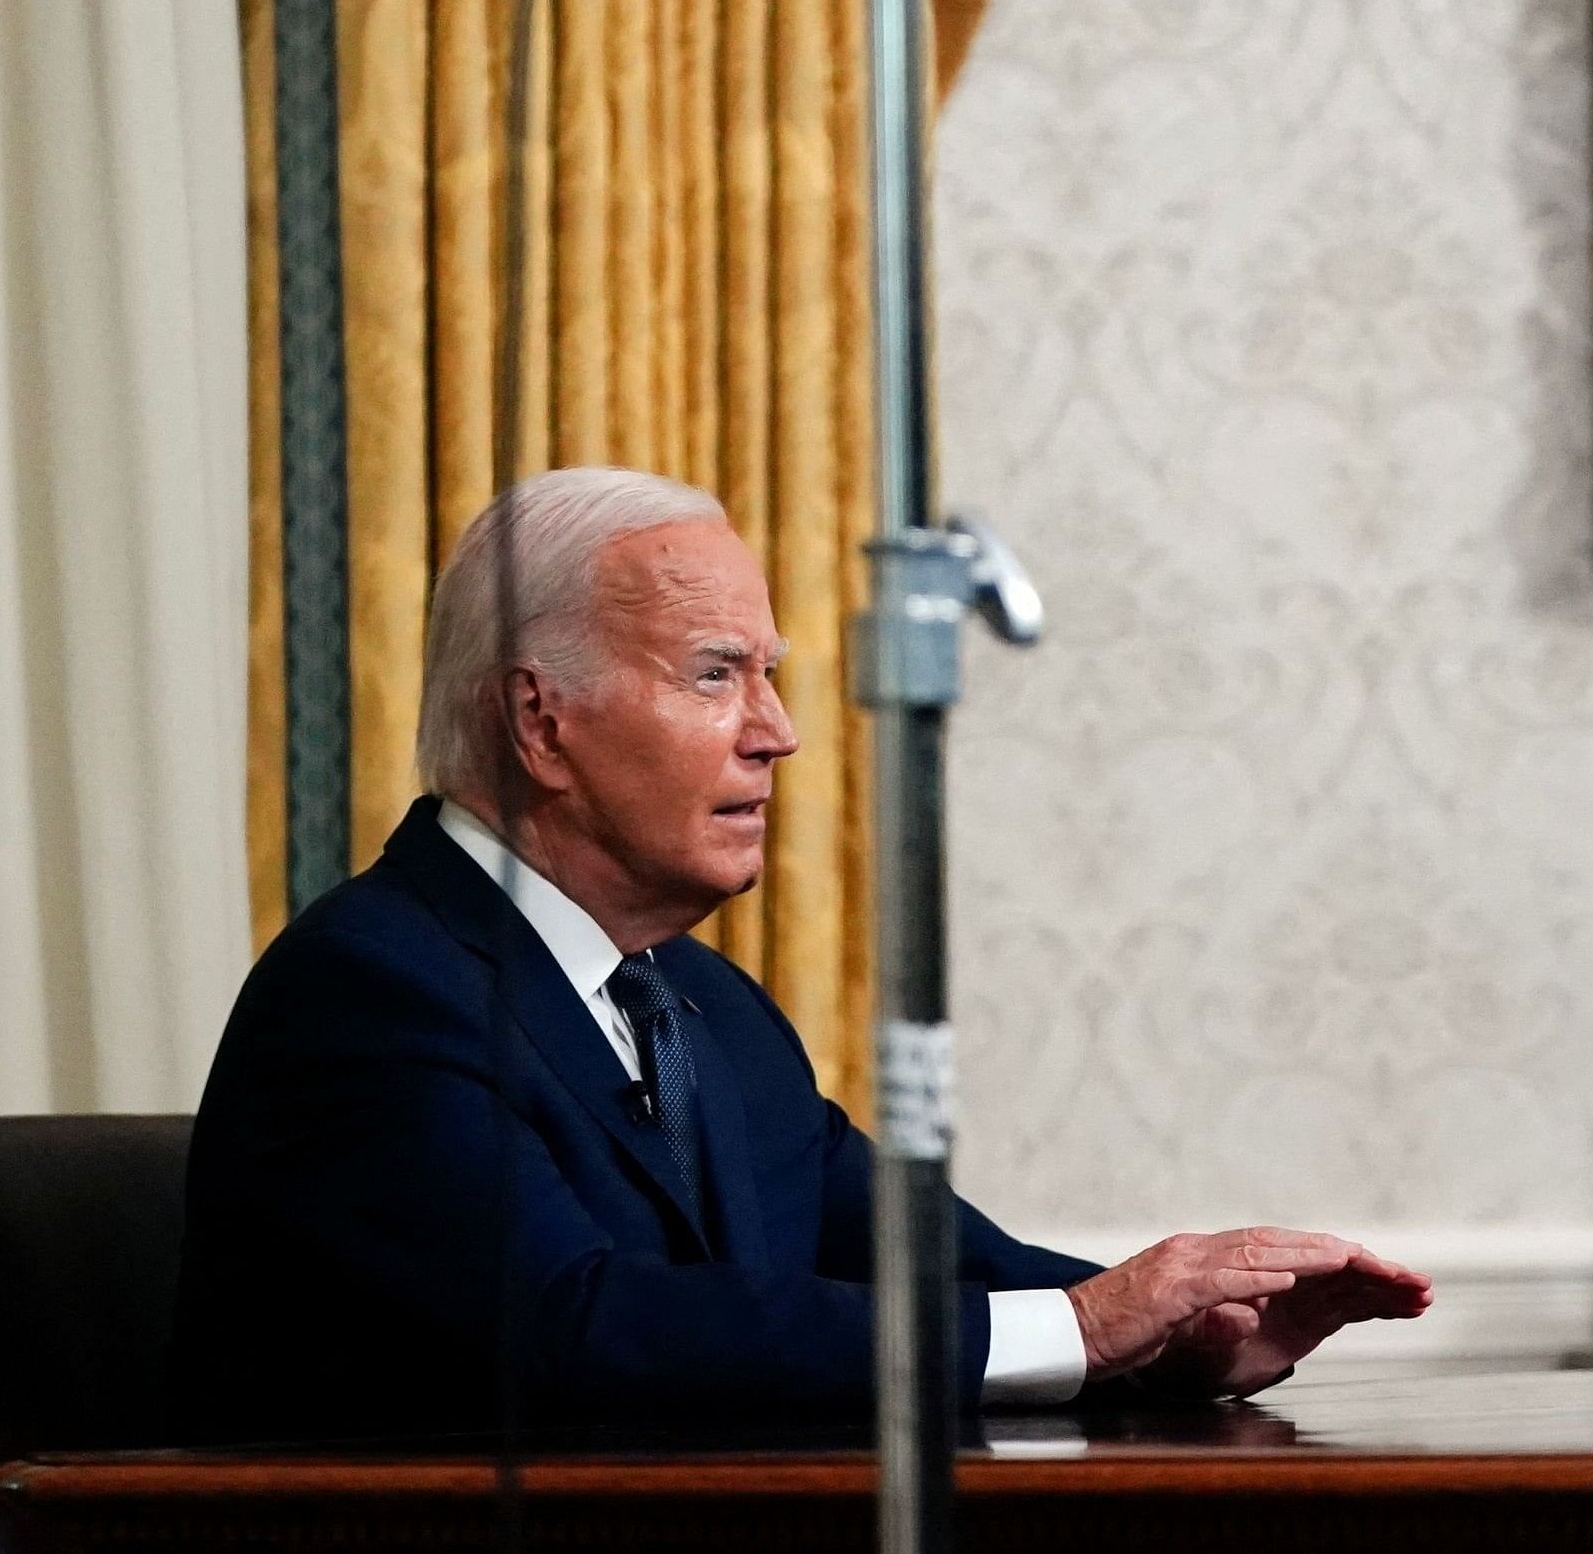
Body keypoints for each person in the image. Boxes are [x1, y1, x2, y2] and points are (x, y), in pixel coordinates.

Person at [176, 467, 1429, 1439]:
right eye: (716, 675)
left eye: (767, 676)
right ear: (539, 719)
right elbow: (578, 1328)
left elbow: (905, 1249)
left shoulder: (697, 1002)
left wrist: (1176, 1334)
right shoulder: (373, 989)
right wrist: (1087, 1327)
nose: (776, 733)